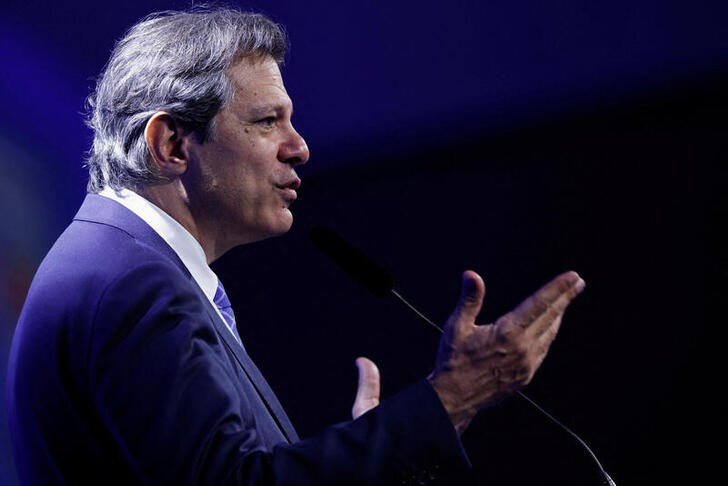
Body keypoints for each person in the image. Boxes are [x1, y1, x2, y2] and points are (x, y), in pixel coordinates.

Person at [5, 7, 585, 485]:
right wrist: (452, 396)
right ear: (171, 143)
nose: (299, 147)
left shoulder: (115, 263)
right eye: (266, 122)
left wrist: (377, 452)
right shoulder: (130, 279)